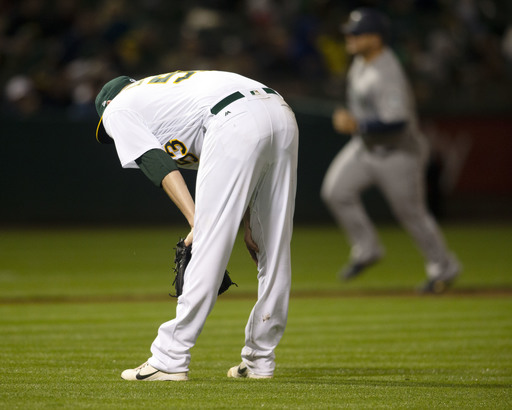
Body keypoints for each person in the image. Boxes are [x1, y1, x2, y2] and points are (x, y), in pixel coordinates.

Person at [94, 70, 298, 380]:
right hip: (279, 112)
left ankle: (169, 360)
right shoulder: (166, 98)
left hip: (232, 118)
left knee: (207, 245)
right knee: (273, 247)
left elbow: (155, 161)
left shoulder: (117, 109)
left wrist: (197, 222)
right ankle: (260, 361)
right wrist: (246, 223)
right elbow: (239, 169)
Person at [320, 8, 460, 294]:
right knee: (336, 191)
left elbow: (397, 121)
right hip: (366, 147)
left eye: (357, 32)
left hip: (399, 153)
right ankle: (367, 248)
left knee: (412, 214)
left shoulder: (388, 71)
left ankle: (444, 268)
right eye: (350, 31)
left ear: (376, 38)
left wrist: (356, 123)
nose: (350, 36)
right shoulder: (361, 63)